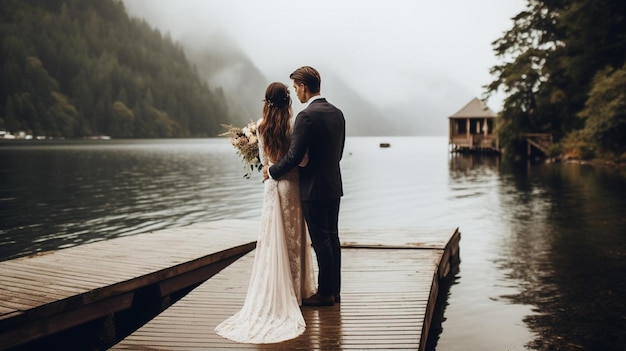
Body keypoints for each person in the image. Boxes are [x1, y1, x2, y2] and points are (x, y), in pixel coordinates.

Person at [214, 82, 316, 343]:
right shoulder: (294, 125)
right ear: (288, 101)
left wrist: (271, 168)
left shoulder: (260, 126)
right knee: (294, 241)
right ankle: (296, 293)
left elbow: (263, 159)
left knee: (273, 241)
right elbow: (301, 160)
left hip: (271, 188)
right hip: (291, 186)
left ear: (267, 101)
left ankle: (273, 291)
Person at [266, 66, 346, 307]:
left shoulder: (306, 116)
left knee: (321, 241)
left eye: (295, 87)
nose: (296, 93)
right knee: (333, 239)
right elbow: (339, 153)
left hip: (313, 188)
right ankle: (334, 291)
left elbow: (293, 156)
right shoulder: (337, 113)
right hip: (334, 184)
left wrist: (271, 171)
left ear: (303, 86)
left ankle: (324, 293)